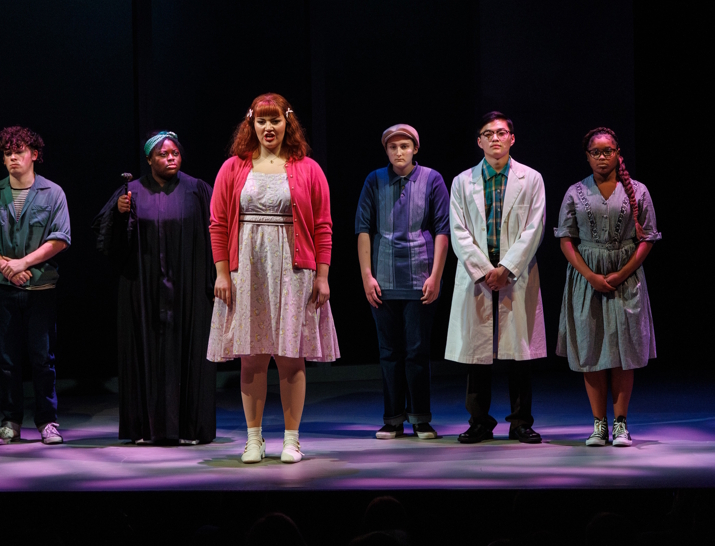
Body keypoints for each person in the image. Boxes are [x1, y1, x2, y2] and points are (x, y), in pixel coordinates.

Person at [207, 93, 340, 464]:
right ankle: (253, 438)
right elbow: (218, 224)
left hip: (294, 270)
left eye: (275, 120)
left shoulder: (308, 169)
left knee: (290, 357)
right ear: (251, 123)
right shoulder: (233, 167)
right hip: (245, 269)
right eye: (262, 121)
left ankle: (291, 439)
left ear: (287, 123)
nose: (269, 128)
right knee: (251, 357)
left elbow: (323, 226)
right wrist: (222, 273)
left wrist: (323, 276)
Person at [92, 131, 217, 445]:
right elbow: (108, 242)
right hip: (143, 289)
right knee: (145, 351)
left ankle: (191, 428)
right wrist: (120, 214)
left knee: (190, 351)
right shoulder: (131, 192)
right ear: (149, 160)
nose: (170, 158)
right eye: (162, 154)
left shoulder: (198, 189)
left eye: (174, 152)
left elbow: (219, 232)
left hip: (189, 288)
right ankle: (143, 429)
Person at [445, 111, 546, 444]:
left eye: (501, 133)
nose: (495, 139)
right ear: (479, 141)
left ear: (512, 139)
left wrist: (507, 269)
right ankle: (479, 421)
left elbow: (534, 228)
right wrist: (484, 270)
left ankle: (520, 421)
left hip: (514, 275)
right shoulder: (462, 182)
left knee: (518, 353)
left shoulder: (531, 179)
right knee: (478, 355)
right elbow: (458, 230)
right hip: (479, 275)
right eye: (488, 134)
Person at [555, 127, 660, 447]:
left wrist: (622, 272)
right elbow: (565, 239)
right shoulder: (575, 191)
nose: (602, 157)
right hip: (587, 279)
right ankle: (598, 424)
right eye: (596, 152)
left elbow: (648, 239)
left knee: (623, 351)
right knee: (591, 349)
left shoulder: (638, 191)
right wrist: (589, 275)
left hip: (625, 279)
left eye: (608, 151)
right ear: (587, 156)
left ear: (618, 154)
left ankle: (621, 424)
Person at [0, 126, 71, 445]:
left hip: (41, 288)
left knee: (43, 359)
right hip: (2, 288)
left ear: (34, 155)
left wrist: (23, 264)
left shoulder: (53, 193)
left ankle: (47, 422)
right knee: (7, 359)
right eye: (7, 153)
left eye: (19, 151)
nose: (13, 157)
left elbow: (60, 238)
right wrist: (5, 266)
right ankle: (10, 422)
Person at [355, 124, 449, 440]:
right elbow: (363, 228)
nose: (399, 152)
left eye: (405, 146)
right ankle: (393, 418)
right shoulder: (374, 180)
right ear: (386, 151)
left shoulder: (432, 179)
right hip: (382, 277)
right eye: (393, 147)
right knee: (389, 351)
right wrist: (367, 276)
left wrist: (435, 276)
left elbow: (442, 230)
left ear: (415, 149)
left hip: (420, 276)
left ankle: (420, 417)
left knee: (417, 350)